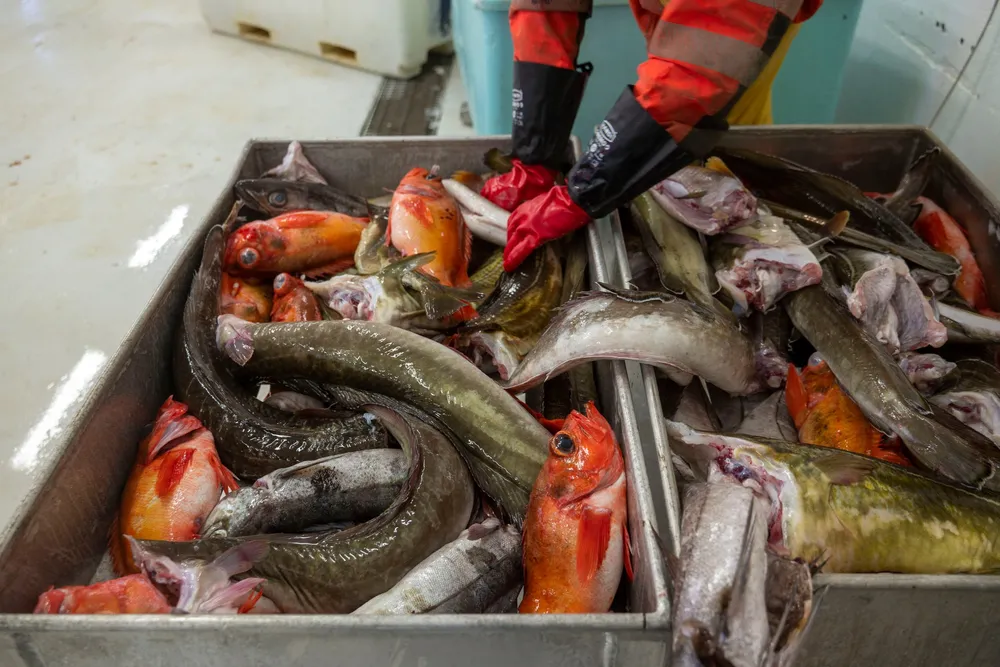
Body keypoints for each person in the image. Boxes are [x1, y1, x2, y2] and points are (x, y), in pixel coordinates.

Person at [481, 0, 824, 271]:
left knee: (717, 118)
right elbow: (544, 8)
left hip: (741, 18)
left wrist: (583, 191)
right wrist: (535, 151)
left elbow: (701, 65)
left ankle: (741, 213)